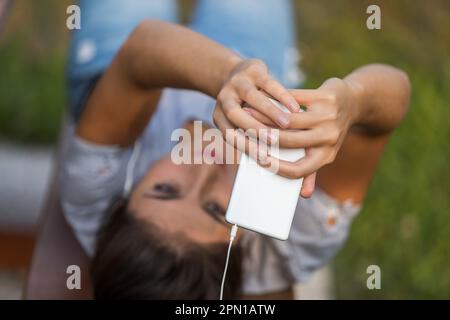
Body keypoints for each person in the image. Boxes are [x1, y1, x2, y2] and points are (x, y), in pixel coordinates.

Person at [61, 0, 411, 299]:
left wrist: (230, 74)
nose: (204, 170)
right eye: (216, 210)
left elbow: (142, 49)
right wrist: (353, 102)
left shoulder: (94, 195)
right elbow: (394, 98)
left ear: (122, 201)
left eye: (165, 189)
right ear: (243, 247)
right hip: (253, 68)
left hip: (127, 72)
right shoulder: (293, 239)